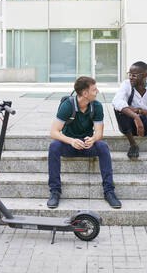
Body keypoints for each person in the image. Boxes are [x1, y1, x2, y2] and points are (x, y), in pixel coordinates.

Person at [47, 76, 121, 209]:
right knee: (54, 146)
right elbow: (53, 132)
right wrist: (71, 141)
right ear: (85, 93)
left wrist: (93, 139)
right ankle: (55, 191)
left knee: (103, 146)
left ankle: (109, 191)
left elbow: (99, 133)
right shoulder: (67, 105)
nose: (97, 91)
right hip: (69, 144)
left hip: (87, 145)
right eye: (94, 89)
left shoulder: (96, 106)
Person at [112, 61, 147, 184]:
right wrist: (136, 117)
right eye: (129, 74)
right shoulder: (126, 84)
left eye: (134, 75)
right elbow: (117, 102)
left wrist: (139, 111)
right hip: (129, 125)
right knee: (119, 110)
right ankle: (133, 144)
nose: (130, 77)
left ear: (144, 75)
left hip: (146, 126)